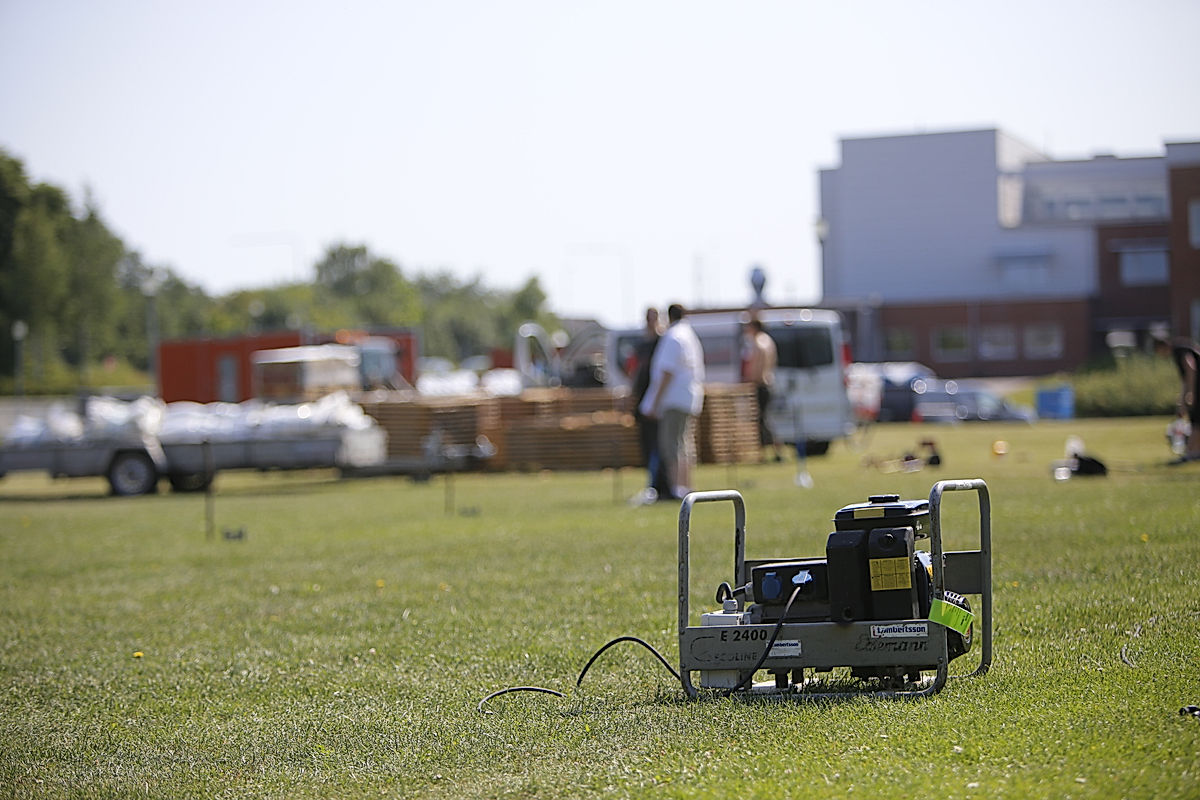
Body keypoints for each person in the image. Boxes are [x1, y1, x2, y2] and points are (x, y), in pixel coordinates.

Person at [639, 303, 705, 500]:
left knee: (671, 445)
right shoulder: (690, 335)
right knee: (684, 444)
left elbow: (667, 372)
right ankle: (686, 485)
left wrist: (653, 402)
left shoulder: (673, 336)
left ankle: (677, 487)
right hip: (689, 397)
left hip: (674, 399)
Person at [628, 307, 669, 504]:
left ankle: (659, 485)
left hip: (656, 402)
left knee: (659, 445)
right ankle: (652, 484)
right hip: (642, 401)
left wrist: (655, 402)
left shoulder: (663, 342)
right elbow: (634, 371)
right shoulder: (641, 344)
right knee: (647, 445)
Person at [742, 315, 782, 461]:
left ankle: (764, 453)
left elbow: (755, 368)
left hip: (759, 384)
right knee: (765, 420)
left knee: (760, 421)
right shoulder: (768, 341)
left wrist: (748, 380)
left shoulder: (757, 343)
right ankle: (775, 450)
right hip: (768, 383)